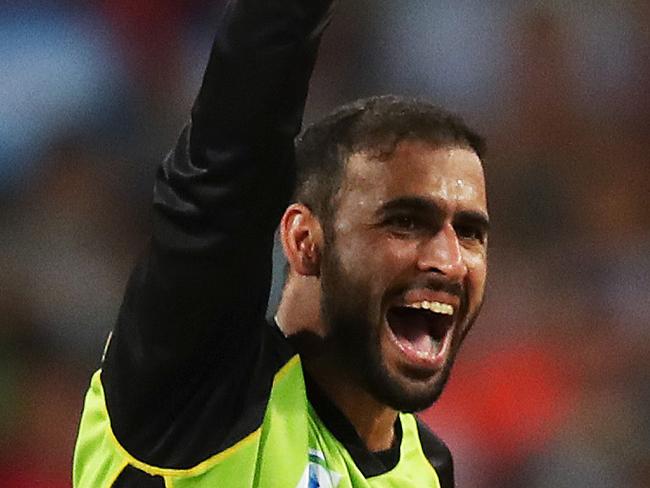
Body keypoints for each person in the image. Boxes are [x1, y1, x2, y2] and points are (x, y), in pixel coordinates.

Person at [73, 0, 489, 486]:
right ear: (303, 239)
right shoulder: (197, 386)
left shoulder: (429, 469)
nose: (448, 260)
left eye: (469, 231)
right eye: (404, 222)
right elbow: (225, 172)